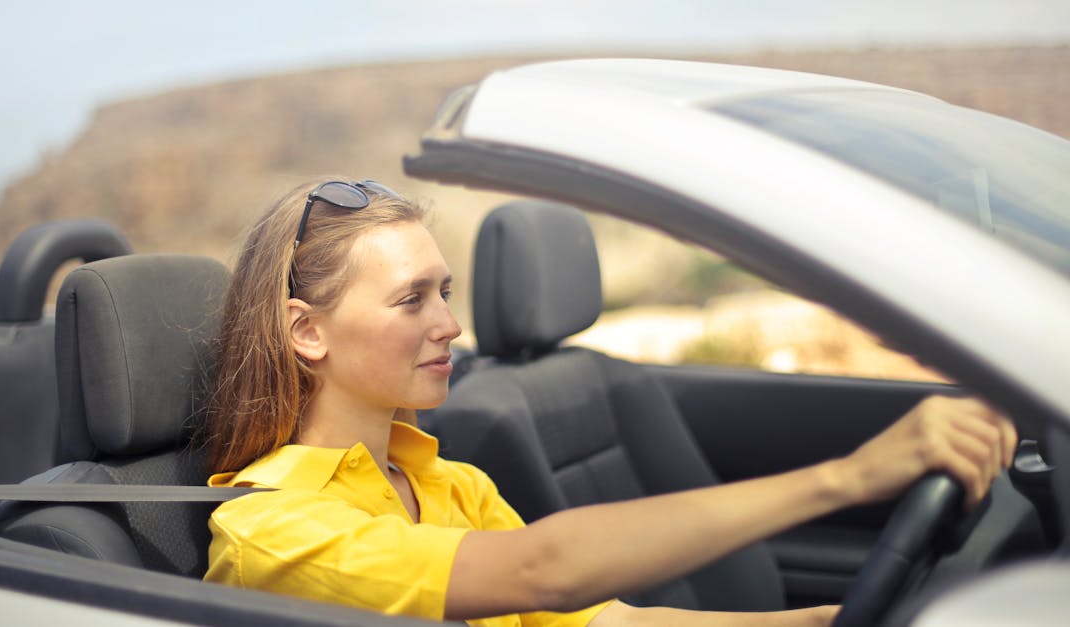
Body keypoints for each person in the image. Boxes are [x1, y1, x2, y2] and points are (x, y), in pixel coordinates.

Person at [202, 178, 1017, 627]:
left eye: (445, 291)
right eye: (411, 299)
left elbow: (611, 625)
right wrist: (847, 477)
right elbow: (542, 571)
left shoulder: (450, 484)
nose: (451, 323)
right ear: (307, 332)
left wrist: (814, 624)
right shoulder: (270, 527)